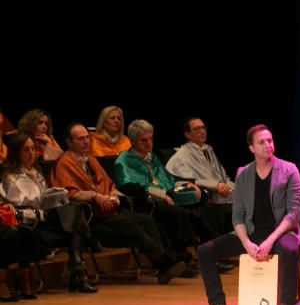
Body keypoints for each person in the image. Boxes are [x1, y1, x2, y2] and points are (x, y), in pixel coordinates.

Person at [192, 125, 300, 305]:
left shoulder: (289, 170)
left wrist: (270, 241)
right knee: (205, 251)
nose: (268, 145)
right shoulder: (243, 174)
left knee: (290, 249)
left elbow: (293, 214)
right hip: (251, 233)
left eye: (270, 140)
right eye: (262, 142)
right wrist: (247, 243)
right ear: (251, 148)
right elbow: (238, 217)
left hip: (280, 232)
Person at [49, 123, 187, 284]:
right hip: (91, 217)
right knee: (129, 224)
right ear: (69, 142)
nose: (86, 141)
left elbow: (110, 185)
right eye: (81, 139)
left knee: (147, 220)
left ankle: (161, 264)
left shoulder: (91, 160)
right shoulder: (64, 163)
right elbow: (69, 193)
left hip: (109, 209)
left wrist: (114, 196)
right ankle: (165, 260)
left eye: (87, 137)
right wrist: (95, 196)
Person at [1, 132, 97, 293]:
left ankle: (78, 270)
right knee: (74, 221)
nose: (31, 153)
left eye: (33, 149)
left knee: (73, 208)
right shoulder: (9, 177)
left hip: (44, 220)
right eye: (26, 150)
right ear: (16, 152)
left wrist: (54, 195)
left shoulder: (36, 173)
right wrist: (41, 214)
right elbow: (13, 209)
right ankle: (79, 272)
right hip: (29, 226)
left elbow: (41, 200)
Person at [113, 119, 202, 256]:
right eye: (144, 140)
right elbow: (129, 187)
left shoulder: (152, 156)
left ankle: (210, 250)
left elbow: (167, 178)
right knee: (176, 212)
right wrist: (161, 195)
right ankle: (180, 255)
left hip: (165, 196)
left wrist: (184, 183)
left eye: (151, 138)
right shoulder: (124, 160)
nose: (149, 143)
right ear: (133, 141)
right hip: (143, 202)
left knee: (201, 200)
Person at [166, 116, 236, 237]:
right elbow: (188, 180)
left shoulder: (208, 149)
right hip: (204, 197)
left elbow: (222, 176)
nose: (202, 131)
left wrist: (234, 187)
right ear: (187, 134)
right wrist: (216, 185)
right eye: (196, 129)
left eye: (203, 128)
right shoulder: (182, 155)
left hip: (220, 193)